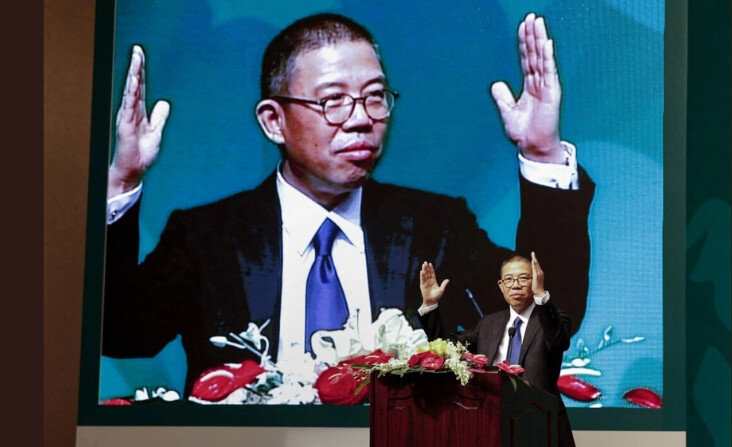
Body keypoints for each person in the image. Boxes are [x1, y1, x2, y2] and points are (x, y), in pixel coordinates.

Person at [102, 12, 594, 398]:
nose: (361, 120)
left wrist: (541, 154)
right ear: (274, 121)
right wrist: (122, 180)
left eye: (376, 98)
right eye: (334, 101)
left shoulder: (434, 227)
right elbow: (120, 334)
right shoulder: (207, 237)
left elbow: (544, 320)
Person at [418, 252, 576, 446]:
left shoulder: (553, 320)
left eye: (523, 278)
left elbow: (559, 341)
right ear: (501, 286)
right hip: (492, 421)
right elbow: (445, 347)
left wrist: (541, 295)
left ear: (535, 280)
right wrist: (430, 304)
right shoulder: (489, 323)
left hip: (540, 422)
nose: (515, 285)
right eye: (509, 280)